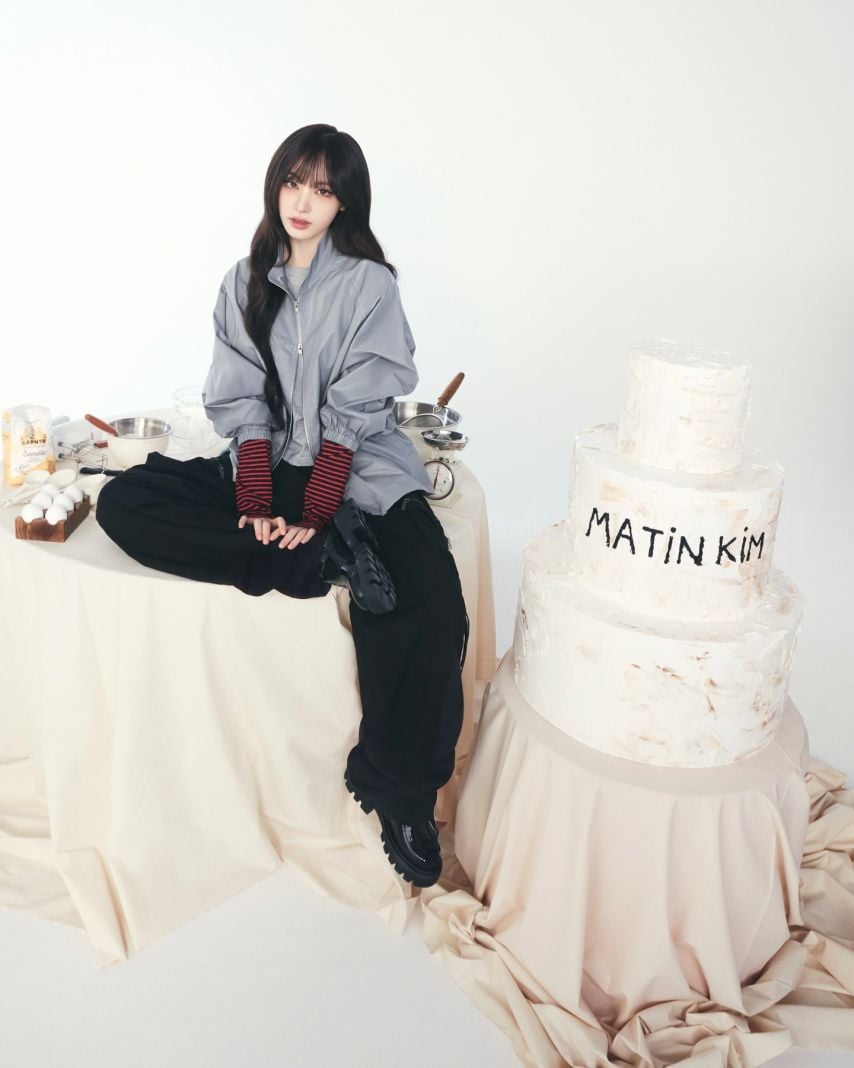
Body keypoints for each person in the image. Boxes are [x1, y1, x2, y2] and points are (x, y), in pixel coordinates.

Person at [95, 123, 470, 889]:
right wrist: (260, 499)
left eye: (323, 189)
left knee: (430, 594)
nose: (303, 201)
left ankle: (401, 790)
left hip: (356, 470)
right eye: (294, 182)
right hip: (267, 466)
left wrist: (319, 502)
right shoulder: (244, 281)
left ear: (345, 203)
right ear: (275, 185)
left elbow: (359, 408)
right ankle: (322, 559)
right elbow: (238, 399)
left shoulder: (369, 286)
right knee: (125, 500)